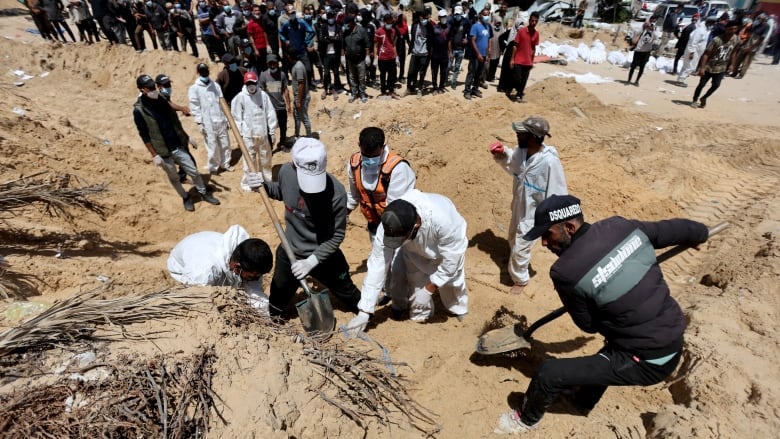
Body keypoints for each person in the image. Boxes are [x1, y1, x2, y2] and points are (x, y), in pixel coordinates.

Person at [494, 194, 709, 434]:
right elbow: (672, 230)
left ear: (569, 227)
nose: (544, 243)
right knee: (606, 355)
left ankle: (524, 420)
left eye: (548, 234)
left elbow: (588, 325)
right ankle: (580, 402)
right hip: (673, 334)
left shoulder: (565, 272)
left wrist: (589, 298)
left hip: (649, 360)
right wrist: (698, 233)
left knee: (547, 374)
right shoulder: (621, 227)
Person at [245, 138, 362, 317]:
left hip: (323, 255)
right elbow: (281, 192)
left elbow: (336, 236)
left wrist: (311, 261)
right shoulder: (286, 172)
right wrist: (262, 186)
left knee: (350, 294)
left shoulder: (337, 195)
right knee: (276, 302)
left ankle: (364, 314)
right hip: (290, 251)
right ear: (294, 165)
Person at [346, 190, 469, 333]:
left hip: (444, 251)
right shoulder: (389, 223)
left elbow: (451, 261)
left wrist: (430, 288)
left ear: (415, 225)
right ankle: (421, 319)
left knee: (452, 283)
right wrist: (364, 311)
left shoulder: (444, 221)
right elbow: (377, 265)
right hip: (414, 252)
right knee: (415, 283)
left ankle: (458, 309)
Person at [489, 116, 567, 295]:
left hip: (535, 213)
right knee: (512, 237)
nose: (517, 135)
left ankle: (521, 279)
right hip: (519, 206)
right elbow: (512, 163)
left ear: (532, 137)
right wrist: (502, 154)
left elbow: (558, 192)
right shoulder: (522, 152)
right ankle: (515, 263)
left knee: (521, 245)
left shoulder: (549, 162)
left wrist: (552, 222)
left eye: (521, 133)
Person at [132, 74, 221, 212]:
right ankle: (186, 198)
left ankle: (203, 193)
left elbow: (175, 122)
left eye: (153, 86)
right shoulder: (139, 110)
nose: (153, 89)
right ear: (142, 89)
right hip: (162, 151)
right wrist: (154, 154)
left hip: (177, 145)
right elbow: (144, 135)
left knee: (194, 171)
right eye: (149, 87)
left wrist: (187, 137)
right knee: (174, 178)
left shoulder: (161, 99)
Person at [168, 225, 273, 311]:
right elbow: (196, 300)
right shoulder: (204, 272)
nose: (256, 279)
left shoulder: (250, 260)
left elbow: (256, 295)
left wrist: (263, 313)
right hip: (181, 264)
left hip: (206, 244)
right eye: (252, 277)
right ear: (236, 267)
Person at [347, 126, 416, 239]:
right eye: (366, 155)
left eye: (374, 156)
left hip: (397, 227)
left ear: (383, 147)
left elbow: (396, 207)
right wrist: (342, 213)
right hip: (374, 226)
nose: (370, 159)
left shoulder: (397, 169)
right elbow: (354, 195)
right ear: (359, 145)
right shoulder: (354, 164)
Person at [232, 71, 278, 189]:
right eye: (249, 83)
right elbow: (236, 118)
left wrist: (272, 131)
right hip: (248, 137)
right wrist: (240, 135)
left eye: (253, 83)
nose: (251, 85)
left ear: (256, 82)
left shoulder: (263, 96)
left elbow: (270, 113)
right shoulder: (240, 98)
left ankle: (267, 181)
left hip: (263, 135)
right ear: (245, 84)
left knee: (265, 160)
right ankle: (248, 183)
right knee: (249, 162)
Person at [188, 63, 233, 174]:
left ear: (208, 71)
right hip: (207, 122)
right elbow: (195, 107)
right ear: (199, 72)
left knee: (225, 143)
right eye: (202, 71)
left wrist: (226, 119)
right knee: (212, 146)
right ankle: (213, 167)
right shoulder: (195, 88)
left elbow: (222, 103)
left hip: (220, 119)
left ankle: (225, 163)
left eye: (206, 70)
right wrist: (199, 123)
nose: (204, 73)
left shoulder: (216, 86)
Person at [691, 20, 739, 109]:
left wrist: (732, 65)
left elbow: (734, 52)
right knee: (701, 84)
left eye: (735, 29)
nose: (732, 31)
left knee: (716, 85)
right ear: (726, 29)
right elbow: (706, 54)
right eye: (730, 29)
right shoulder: (717, 40)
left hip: (721, 67)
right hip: (709, 66)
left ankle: (704, 98)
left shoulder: (736, 39)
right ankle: (694, 100)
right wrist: (702, 68)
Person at [258, 54, 292, 150]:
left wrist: (288, 105)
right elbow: (262, 91)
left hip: (280, 106)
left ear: (277, 63)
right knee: (268, 128)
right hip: (269, 108)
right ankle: (269, 147)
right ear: (267, 64)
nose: (272, 65)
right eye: (270, 63)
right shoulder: (263, 75)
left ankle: (282, 143)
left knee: (283, 127)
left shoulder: (282, 75)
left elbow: (285, 90)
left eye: (274, 63)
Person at [507, 9, 538, 101]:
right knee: (517, 78)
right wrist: (512, 59)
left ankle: (519, 95)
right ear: (529, 20)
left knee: (524, 80)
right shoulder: (522, 31)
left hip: (528, 61)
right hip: (518, 60)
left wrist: (532, 61)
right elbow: (515, 46)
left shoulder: (536, 34)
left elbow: (533, 48)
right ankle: (509, 90)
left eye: (536, 21)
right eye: (532, 20)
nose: (534, 22)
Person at [463, 7, 491, 100]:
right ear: (480, 15)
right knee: (471, 73)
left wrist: (487, 54)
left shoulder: (487, 27)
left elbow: (487, 41)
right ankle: (467, 91)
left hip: (483, 55)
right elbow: (473, 40)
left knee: (479, 74)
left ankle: (475, 89)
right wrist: (478, 54)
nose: (486, 17)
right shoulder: (475, 26)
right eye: (485, 14)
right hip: (475, 55)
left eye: (488, 15)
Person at [342, 14, 371, 103]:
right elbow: (343, 46)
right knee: (352, 77)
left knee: (361, 77)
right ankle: (354, 93)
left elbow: (367, 44)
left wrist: (367, 56)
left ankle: (362, 94)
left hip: (360, 59)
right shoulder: (345, 32)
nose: (346, 25)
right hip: (350, 59)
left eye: (347, 23)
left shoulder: (361, 30)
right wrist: (342, 56)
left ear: (351, 23)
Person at [406, 9, 433, 96]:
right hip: (415, 52)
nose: (424, 19)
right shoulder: (415, 25)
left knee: (422, 72)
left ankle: (420, 89)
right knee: (410, 72)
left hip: (424, 53)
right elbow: (413, 38)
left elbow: (432, 40)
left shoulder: (429, 26)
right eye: (422, 17)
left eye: (425, 17)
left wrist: (430, 52)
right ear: (419, 17)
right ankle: (409, 88)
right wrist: (410, 48)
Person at [733, 14, 769, 78]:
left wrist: (750, 48)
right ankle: (734, 73)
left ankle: (741, 74)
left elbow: (761, 39)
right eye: (758, 18)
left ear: (764, 19)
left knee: (746, 61)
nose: (759, 20)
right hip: (746, 44)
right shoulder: (756, 25)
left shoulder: (766, 27)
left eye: (760, 18)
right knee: (738, 59)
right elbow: (749, 34)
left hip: (752, 47)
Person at [676, 13, 707, 87]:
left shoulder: (702, 29)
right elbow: (693, 41)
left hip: (695, 51)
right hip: (693, 51)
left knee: (687, 66)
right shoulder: (700, 30)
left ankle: (680, 79)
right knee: (690, 67)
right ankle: (680, 80)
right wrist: (691, 52)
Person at [287, 47, 312, 139]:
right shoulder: (297, 65)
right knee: (297, 117)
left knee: (304, 118)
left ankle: (309, 137)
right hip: (299, 97)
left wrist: (298, 100)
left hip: (302, 97)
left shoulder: (298, 67)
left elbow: (301, 84)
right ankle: (297, 135)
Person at [375, 12, 400, 99]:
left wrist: (396, 56)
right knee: (383, 75)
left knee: (392, 75)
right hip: (382, 58)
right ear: (384, 22)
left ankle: (391, 90)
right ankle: (383, 91)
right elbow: (375, 45)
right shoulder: (379, 31)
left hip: (391, 57)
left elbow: (394, 44)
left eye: (391, 23)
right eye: (388, 22)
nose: (390, 24)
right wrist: (375, 57)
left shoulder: (393, 31)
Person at [627, 17, 656, 86]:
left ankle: (637, 81)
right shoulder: (642, 28)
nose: (649, 24)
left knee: (642, 67)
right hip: (638, 50)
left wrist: (652, 30)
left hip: (646, 51)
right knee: (633, 66)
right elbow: (635, 34)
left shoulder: (655, 29)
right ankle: (629, 79)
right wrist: (643, 28)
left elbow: (656, 37)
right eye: (650, 21)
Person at [448, 5, 470, 89]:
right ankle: (445, 79)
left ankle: (453, 82)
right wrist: (449, 51)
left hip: (461, 49)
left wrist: (467, 40)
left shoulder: (466, 22)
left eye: (459, 14)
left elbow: (470, 33)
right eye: (456, 14)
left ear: (461, 13)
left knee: (457, 67)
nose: (457, 16)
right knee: (448, 66)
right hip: (452, 49)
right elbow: (449, 37)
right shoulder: (451, 22)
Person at [429, 9, 451, 95]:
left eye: (445, 17)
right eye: (442, 17)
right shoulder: (434, 28)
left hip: (444, 54)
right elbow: (430, 41)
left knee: (443, 72)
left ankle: (441, 87)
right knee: (434, 72)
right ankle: (434, 87)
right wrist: (430, 52)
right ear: (439, 17)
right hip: (435, 54)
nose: (444, 19)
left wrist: (450, 52)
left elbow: (449, 41)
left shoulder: (449, 28)